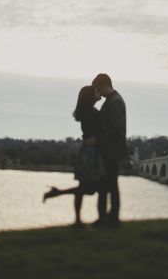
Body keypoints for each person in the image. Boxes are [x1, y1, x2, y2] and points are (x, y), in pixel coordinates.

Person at [42, 85, 105, 227]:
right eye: (96, 91)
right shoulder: (92, 113)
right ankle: (58, 194)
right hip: (90, 153)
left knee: (84, 187)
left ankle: (76, 219)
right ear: (91, 96)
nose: (98, 92)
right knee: (89, 188)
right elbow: (95, 135)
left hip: (86, 152)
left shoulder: (87, 112)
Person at [89, 73, 127, 227]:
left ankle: (112, 219)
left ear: (105, 85)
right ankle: (105, 218)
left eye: (98, 89)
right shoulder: (111, 100)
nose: (98, 92)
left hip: (112, 151)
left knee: (111, 186)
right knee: (105, 186)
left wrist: (96, 140)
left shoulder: (115, 102)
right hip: (109, 150)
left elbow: (116, 130)